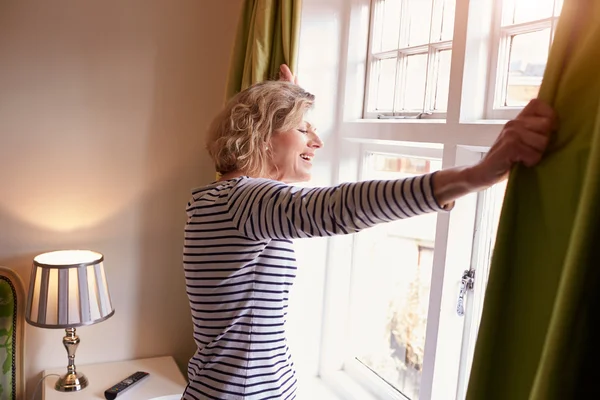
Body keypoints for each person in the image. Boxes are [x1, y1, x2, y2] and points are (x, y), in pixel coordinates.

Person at [181, 65, 557, 400]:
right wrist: (474, 175)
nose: (318, 141)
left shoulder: (215, 202)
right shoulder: (245, 200)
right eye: (302, 129)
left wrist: (287, 105)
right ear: (262, 135)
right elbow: (337, 207)